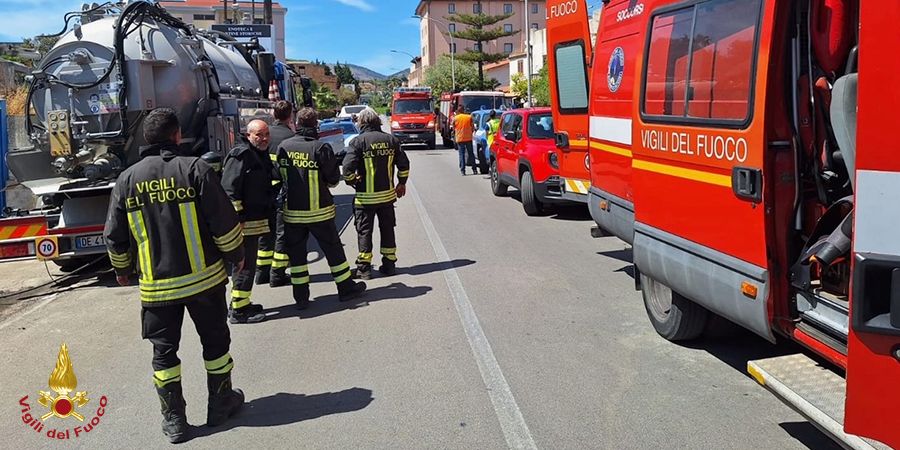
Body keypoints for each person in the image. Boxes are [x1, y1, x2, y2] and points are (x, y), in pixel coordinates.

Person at [104, 108, 246, 443]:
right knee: (215, 343)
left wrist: (123, 270)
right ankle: (220, 403)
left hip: (157, 289)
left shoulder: (126, 180)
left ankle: (174, 421)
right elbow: (222, 221)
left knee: (164, 353)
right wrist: (236, 256)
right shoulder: (194, 168)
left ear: (146, 139)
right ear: (177, 135)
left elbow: (115, 234)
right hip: (204, 282)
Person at [275, 107, 367, 309]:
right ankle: (345, 289)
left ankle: (301, 298)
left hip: (292, 214)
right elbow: (334, 181)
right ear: (316, 124)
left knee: (297, 258)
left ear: (296, 124)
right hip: (320, 212)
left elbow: (278, 175)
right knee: (334, 252)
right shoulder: (321, 148)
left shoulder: (283, 146)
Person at [342, 108, 410, 279]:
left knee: (364, 232)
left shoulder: (358, 142)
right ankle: (389, 264)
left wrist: (353, 181)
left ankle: (364, 269)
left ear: (362, 123)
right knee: (387, 229)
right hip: (387, 197)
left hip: (365, 199)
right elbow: (404, 165)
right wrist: (401, 184)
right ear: (377, 121)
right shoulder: (391, 140)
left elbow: (347, 169)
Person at [220, 119, 277, 324]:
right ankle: (239, 311)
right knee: (244, 266)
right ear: (248, 135)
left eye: (266, 134)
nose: (263, 139)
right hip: (245, 225)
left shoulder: (258, 155)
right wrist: (239, 218)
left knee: (248, 266)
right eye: (258, 135)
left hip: (256, 221)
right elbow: (229, 191)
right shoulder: (241, 156)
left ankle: (240, 303)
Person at [256, 100, 295, 287]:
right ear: (290, 116)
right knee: (281, 234)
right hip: (281, 192)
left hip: (263, 191)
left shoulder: (266, 135)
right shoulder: (290, 137)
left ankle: (261, 273)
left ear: (273, 114)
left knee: (265, 232)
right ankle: (277, 274)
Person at [453, 104, 477, 175]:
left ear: (458, 111)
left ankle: (463, 170)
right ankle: (474, 169)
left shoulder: (456, 118)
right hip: (468, 138)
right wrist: (471, 131)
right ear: (464, 110)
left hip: (460, 138)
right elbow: (472, 127)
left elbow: (453, 127)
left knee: (461, 154)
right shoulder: (469, 117)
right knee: (471, 154)